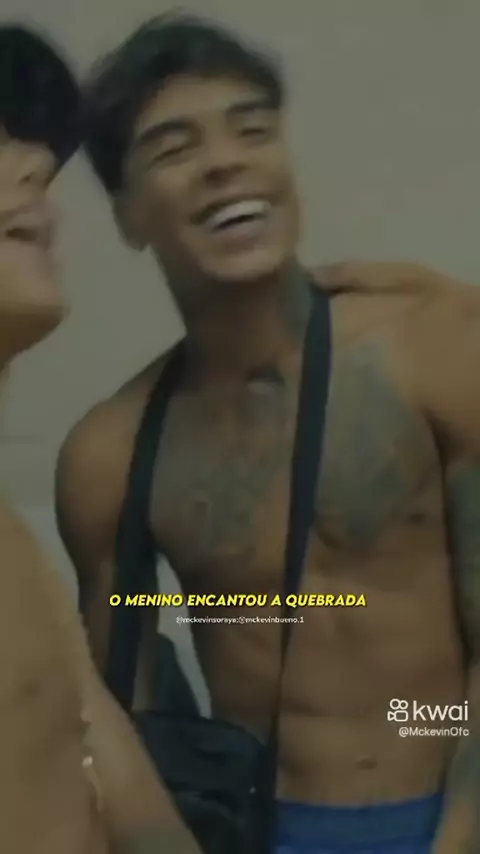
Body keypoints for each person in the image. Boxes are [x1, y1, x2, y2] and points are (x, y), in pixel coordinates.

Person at [55, 13, 480, 854]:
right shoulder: (109, 457)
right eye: (174, 149)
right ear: (129, 215)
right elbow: (128, 720)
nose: (225, 162)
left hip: (447, 803)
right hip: (263, 828)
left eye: (251, 130)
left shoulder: (432, 352)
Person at [0, 24, 201, 854]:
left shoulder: (15, 544)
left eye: (36, 154)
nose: (34, 169)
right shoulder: (106, 457)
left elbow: (125, 788)